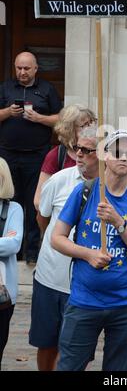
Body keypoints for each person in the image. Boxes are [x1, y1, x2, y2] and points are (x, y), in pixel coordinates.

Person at [51, 129, 127, 371]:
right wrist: (88, 254)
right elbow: (57, 238)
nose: (124, 157)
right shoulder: (86, 191)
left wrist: (119, 222)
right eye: (117, 151)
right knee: (69, 366)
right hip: (85, 300)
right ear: (104, 156)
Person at [29, 124, 99, 371]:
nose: (78, 154)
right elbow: (43, 218)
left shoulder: (111, 188)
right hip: (50, 278)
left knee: (76, 350)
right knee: (46, 343)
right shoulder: (59, 180)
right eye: (77, 148)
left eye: (87, 150)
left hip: (85, 285)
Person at [0, 51, 62, 265]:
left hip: (37, 157)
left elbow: (60, 119)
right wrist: (8, 112)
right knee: (10, 203)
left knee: (35, 203)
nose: (22, 72)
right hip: (7, 157)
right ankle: (12, 250)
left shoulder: (46, 90)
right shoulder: (6, 88)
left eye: (27, 68)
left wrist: (39, 118)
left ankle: (32, 252)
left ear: (36, 68)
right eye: (19, 68)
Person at [34, 104, 96, 211]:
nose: (91, 128)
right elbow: (38, 202)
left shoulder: (100, 152)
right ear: (69, 129)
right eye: (85, 125)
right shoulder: (56, 156)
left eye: (92, 123)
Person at [0, 157, 23, 370]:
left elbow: (13, 244)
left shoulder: (13, 209)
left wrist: (7, 241)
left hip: (3, 293)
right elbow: (5, 243)